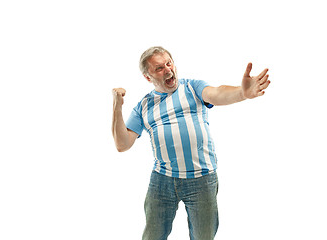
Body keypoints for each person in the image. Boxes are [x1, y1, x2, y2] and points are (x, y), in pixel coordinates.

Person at [111, 46, 271, 240]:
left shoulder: (192, 87)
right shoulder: (144, 106)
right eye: (159, 68)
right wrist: (117, 107)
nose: (168, 70)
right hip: (162, 180)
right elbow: (122, 144)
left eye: (169, 63)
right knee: (152, 236)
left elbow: (217, 93)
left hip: (201, 179)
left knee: (203, 237)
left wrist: (242, 93)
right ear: (148, 77)